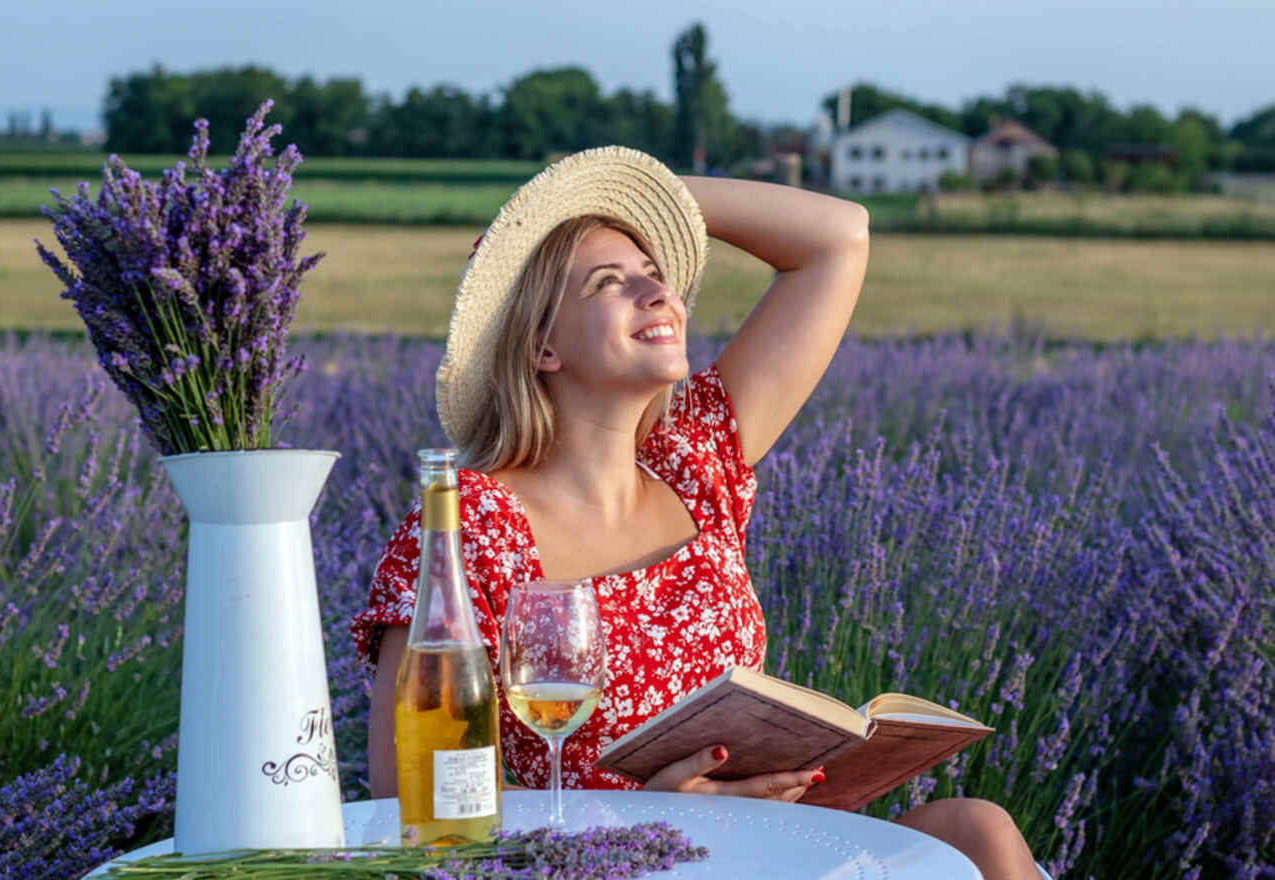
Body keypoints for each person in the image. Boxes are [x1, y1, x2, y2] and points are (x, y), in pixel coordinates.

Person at [352, 147, 1043, 880]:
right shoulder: (470, 528)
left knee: (978, 830)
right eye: (611, 283)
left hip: (765, 843)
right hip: (614, 865)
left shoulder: (696, 459)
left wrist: (632, 193)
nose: (658, 293)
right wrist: (641, 819)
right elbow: (408, 791)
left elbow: (839, 237)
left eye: (659, 275)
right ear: (542, 345)